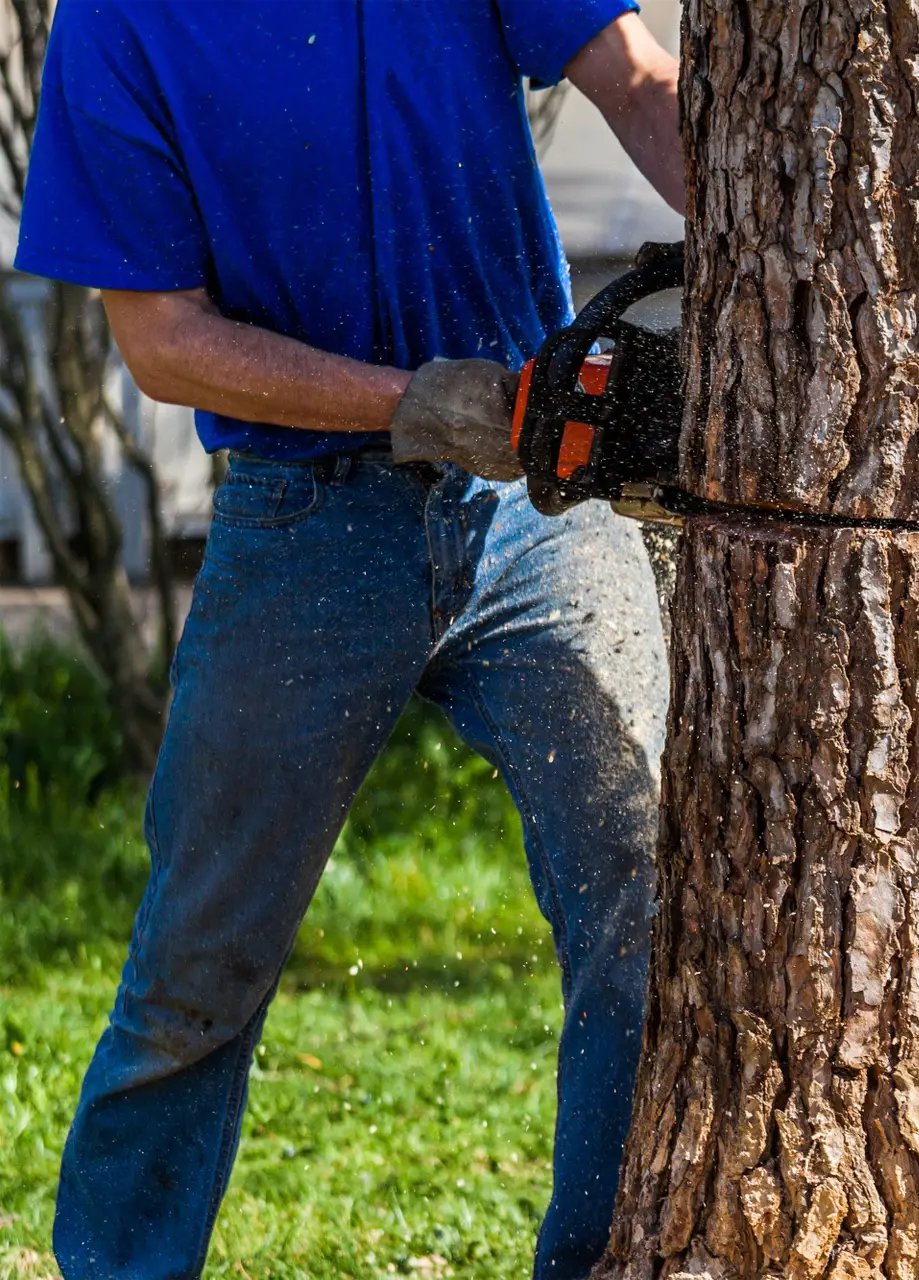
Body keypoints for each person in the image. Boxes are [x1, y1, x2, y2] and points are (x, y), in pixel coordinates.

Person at [14, 4, 684, 1277]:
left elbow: (638, 75)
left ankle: (602, 1258)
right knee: (198, 962)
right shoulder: (120, 24)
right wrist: (406, 403)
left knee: (644, 898)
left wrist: (767, 220)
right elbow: (160, 342)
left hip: (534, 500)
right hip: (301, 521)